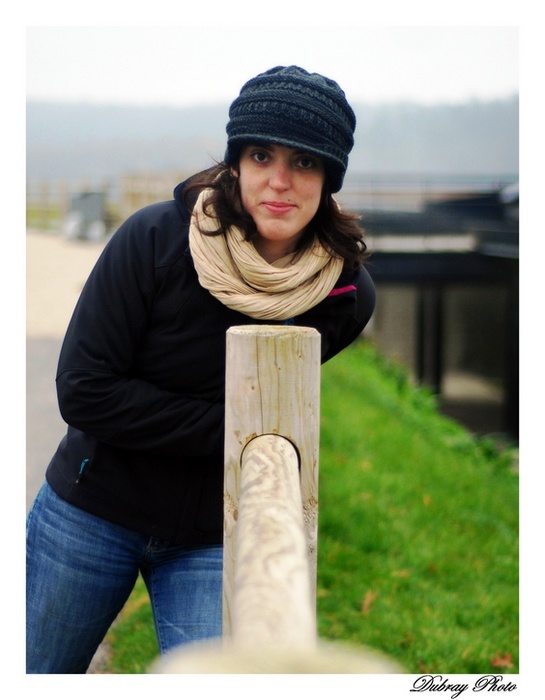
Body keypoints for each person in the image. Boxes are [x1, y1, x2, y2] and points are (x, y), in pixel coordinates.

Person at [26, 65, 376, 673]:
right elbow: (85, 391)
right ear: (235, 162)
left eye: (305, 162)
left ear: (330, 177)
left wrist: (246, 435)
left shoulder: (342, 295)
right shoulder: (154, 240)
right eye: (262, 156)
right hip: (92, 510)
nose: (280, 181)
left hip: (217, 534)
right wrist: (242, 431)